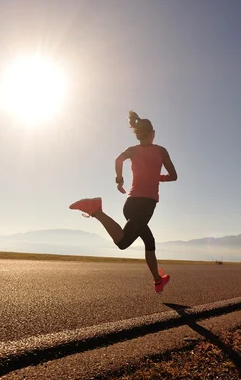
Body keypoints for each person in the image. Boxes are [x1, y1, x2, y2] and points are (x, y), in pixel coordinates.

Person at [69, 111, 178, 293]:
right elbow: (174, 176)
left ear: (138, 133)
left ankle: (158, 281)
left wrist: (119, 179)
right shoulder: (161, 151)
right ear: (153, 133)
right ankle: (96, 210)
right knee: (122, 243)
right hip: (145, 206)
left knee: (149, 241)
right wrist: (158, 177)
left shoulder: (132, 150)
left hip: (130, 204)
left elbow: (118, 160)